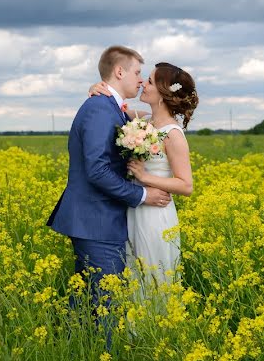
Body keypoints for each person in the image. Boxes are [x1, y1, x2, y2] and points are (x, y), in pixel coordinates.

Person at [47, 45, 173, 344]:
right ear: (119, 72)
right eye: (138, 72)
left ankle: (72, 353)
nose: (141, 80)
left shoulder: (113, 108)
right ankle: (103, 360)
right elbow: (98, 170)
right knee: (106, 304)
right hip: (97, 221)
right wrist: (142, 196)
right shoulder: (98, 108)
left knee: (87, 300)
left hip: (101, 218)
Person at [89, 61, 199, 298]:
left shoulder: (172, 134)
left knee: (154, 274)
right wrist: (98, 88)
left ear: (163, 93)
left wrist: (144, 176)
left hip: (156, 213)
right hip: (136, 207)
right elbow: (118, 107)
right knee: (134, 273)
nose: (142, 83)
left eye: (149, 81)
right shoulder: (146, 121)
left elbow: (186, 185)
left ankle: (156, 329)